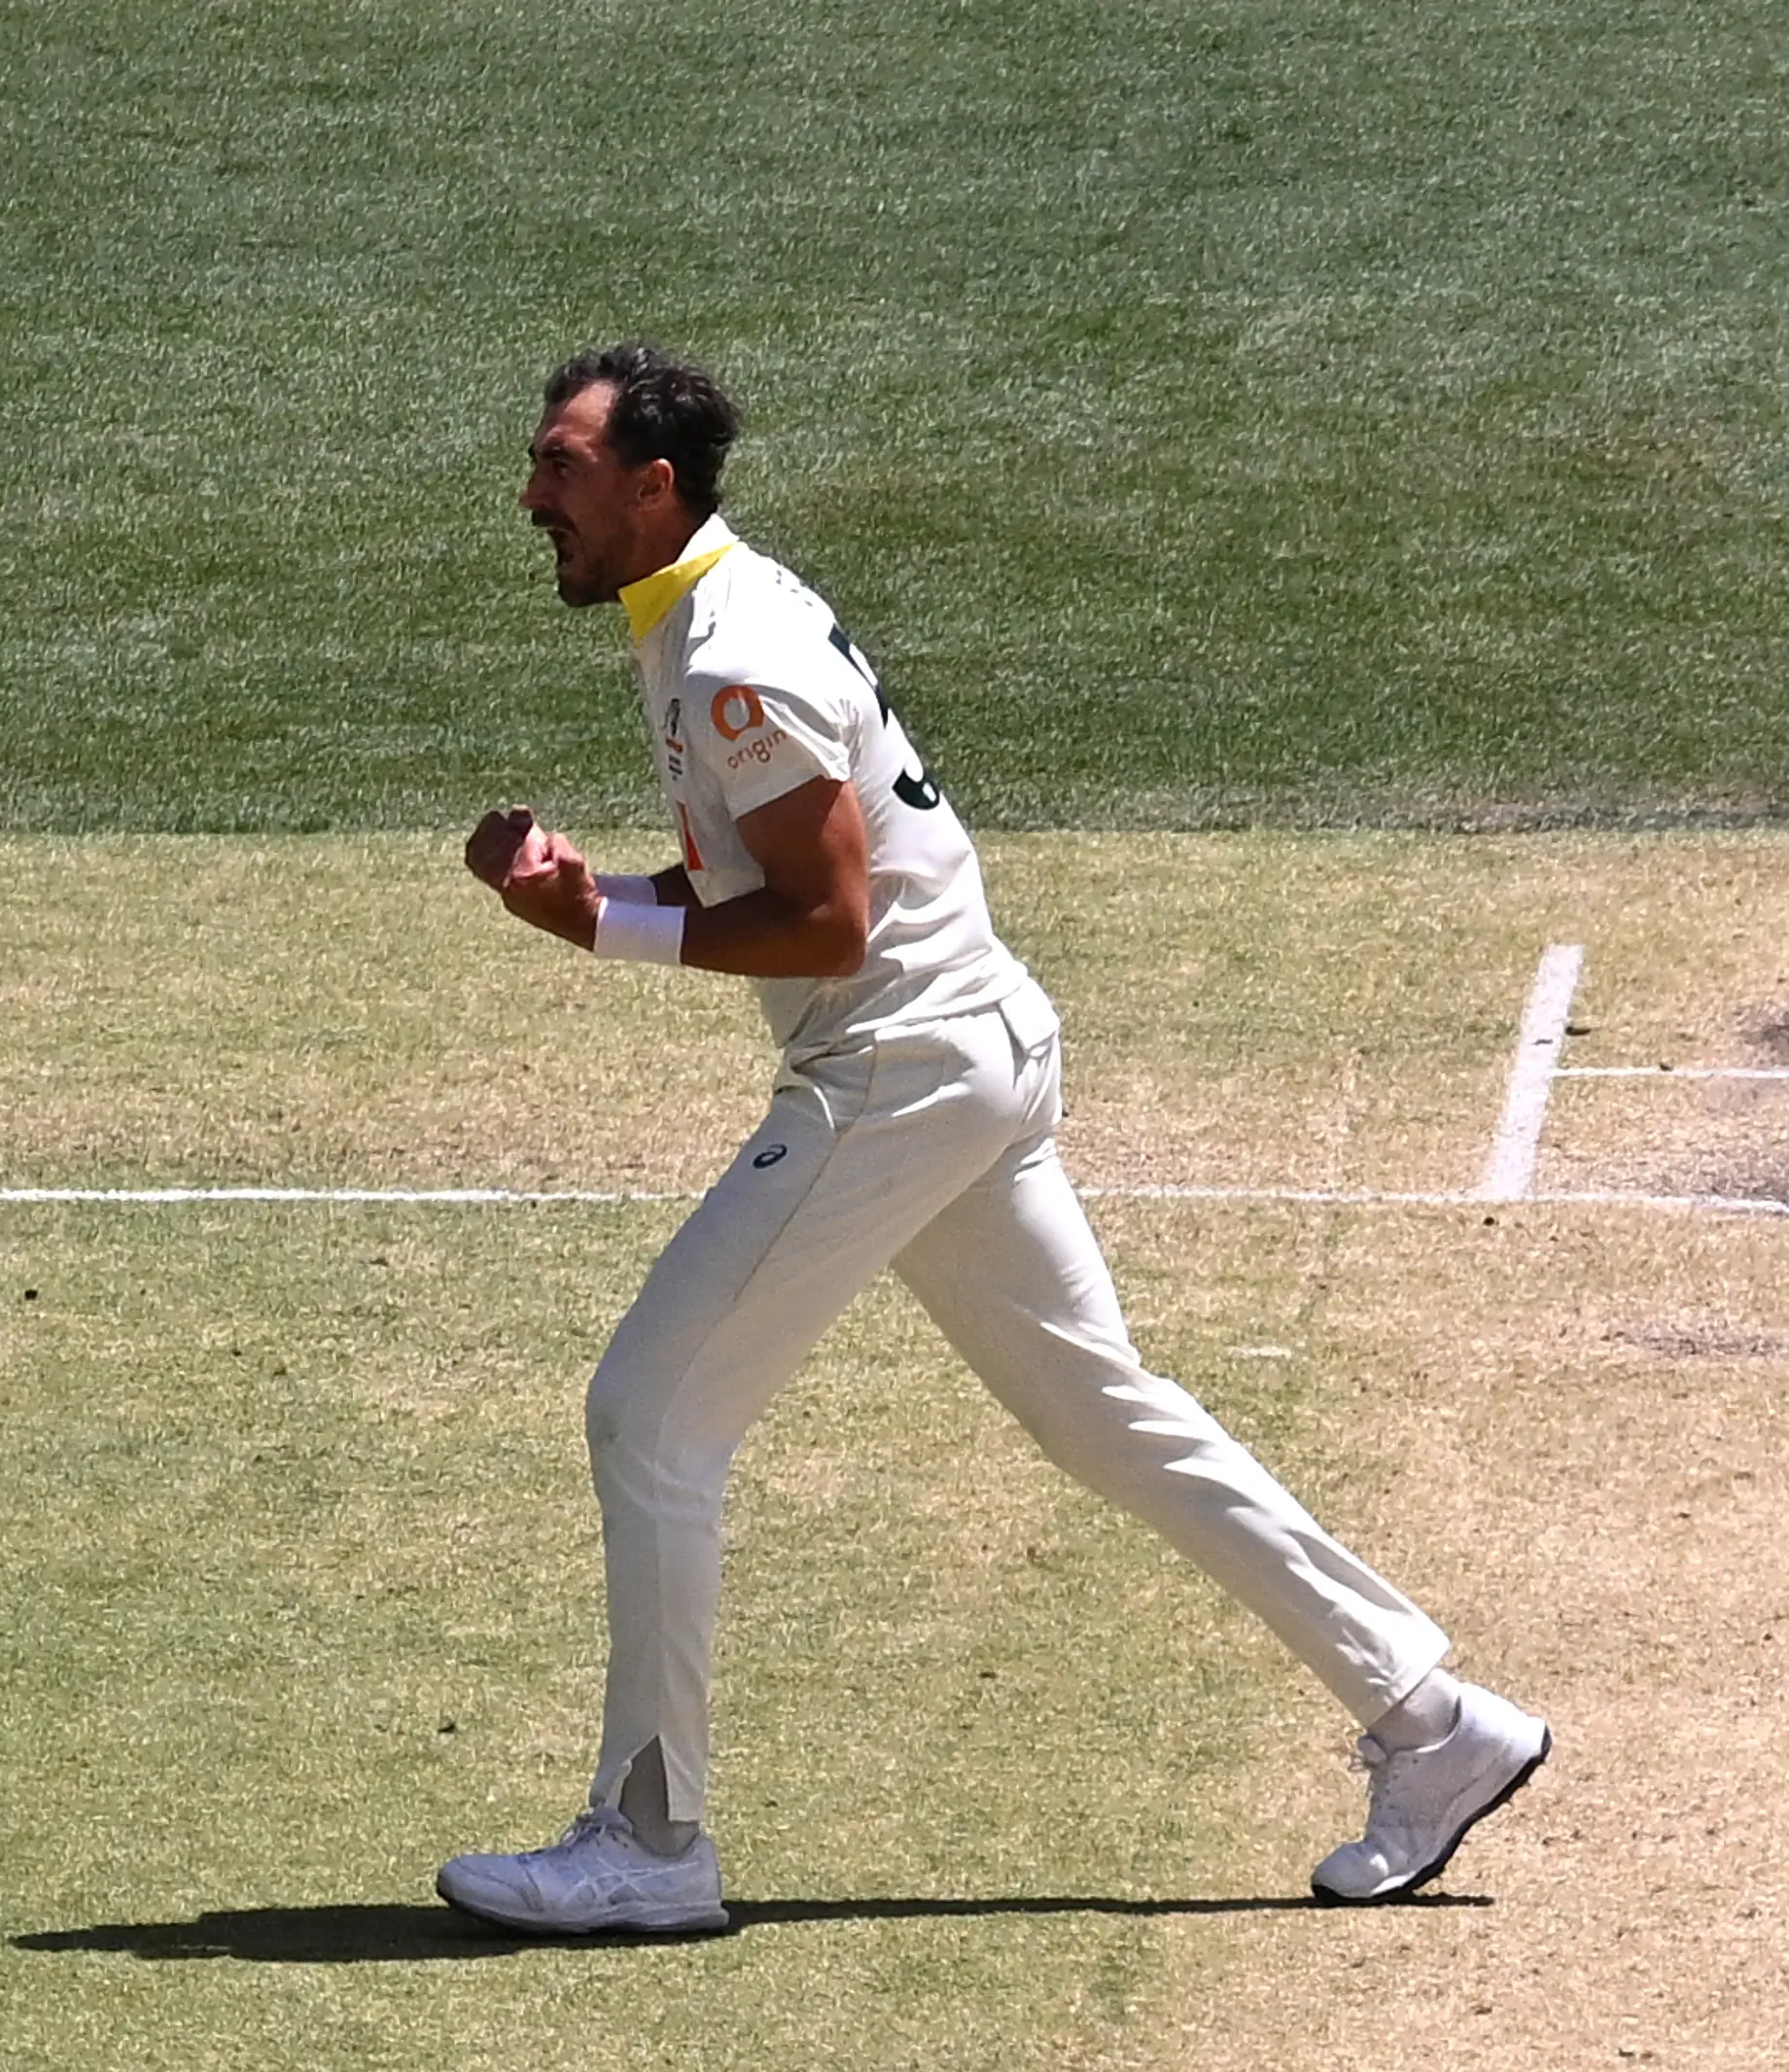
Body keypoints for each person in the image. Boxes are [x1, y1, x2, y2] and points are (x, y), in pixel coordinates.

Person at [437, 341, 1545, 1936]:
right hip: (972, 1050)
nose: (532, 494)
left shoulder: (727, 657)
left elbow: (826, 924)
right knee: (1108, 1415)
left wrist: (595, 927)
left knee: (646, 1417)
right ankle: (1437, 1723)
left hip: (898, 1071)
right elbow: (781, 885)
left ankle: (651, 1842)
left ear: (649, 483)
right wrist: (587, 899)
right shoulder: (703, 616)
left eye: (559, 464)